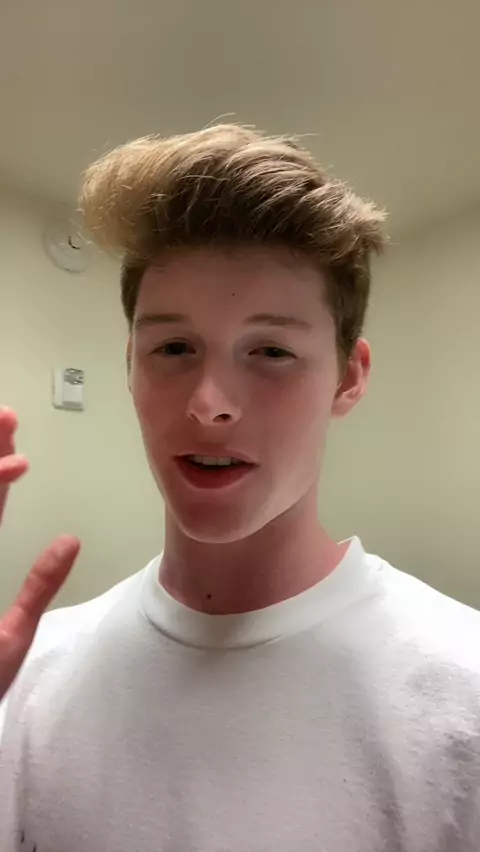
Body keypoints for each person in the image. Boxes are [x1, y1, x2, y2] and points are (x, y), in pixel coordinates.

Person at [0, 124, 479, 851]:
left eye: (272, 351)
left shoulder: (462, 689)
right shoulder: (29, 681)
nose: (209, 404)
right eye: (173, 348)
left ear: (349, 378)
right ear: (130, 366)